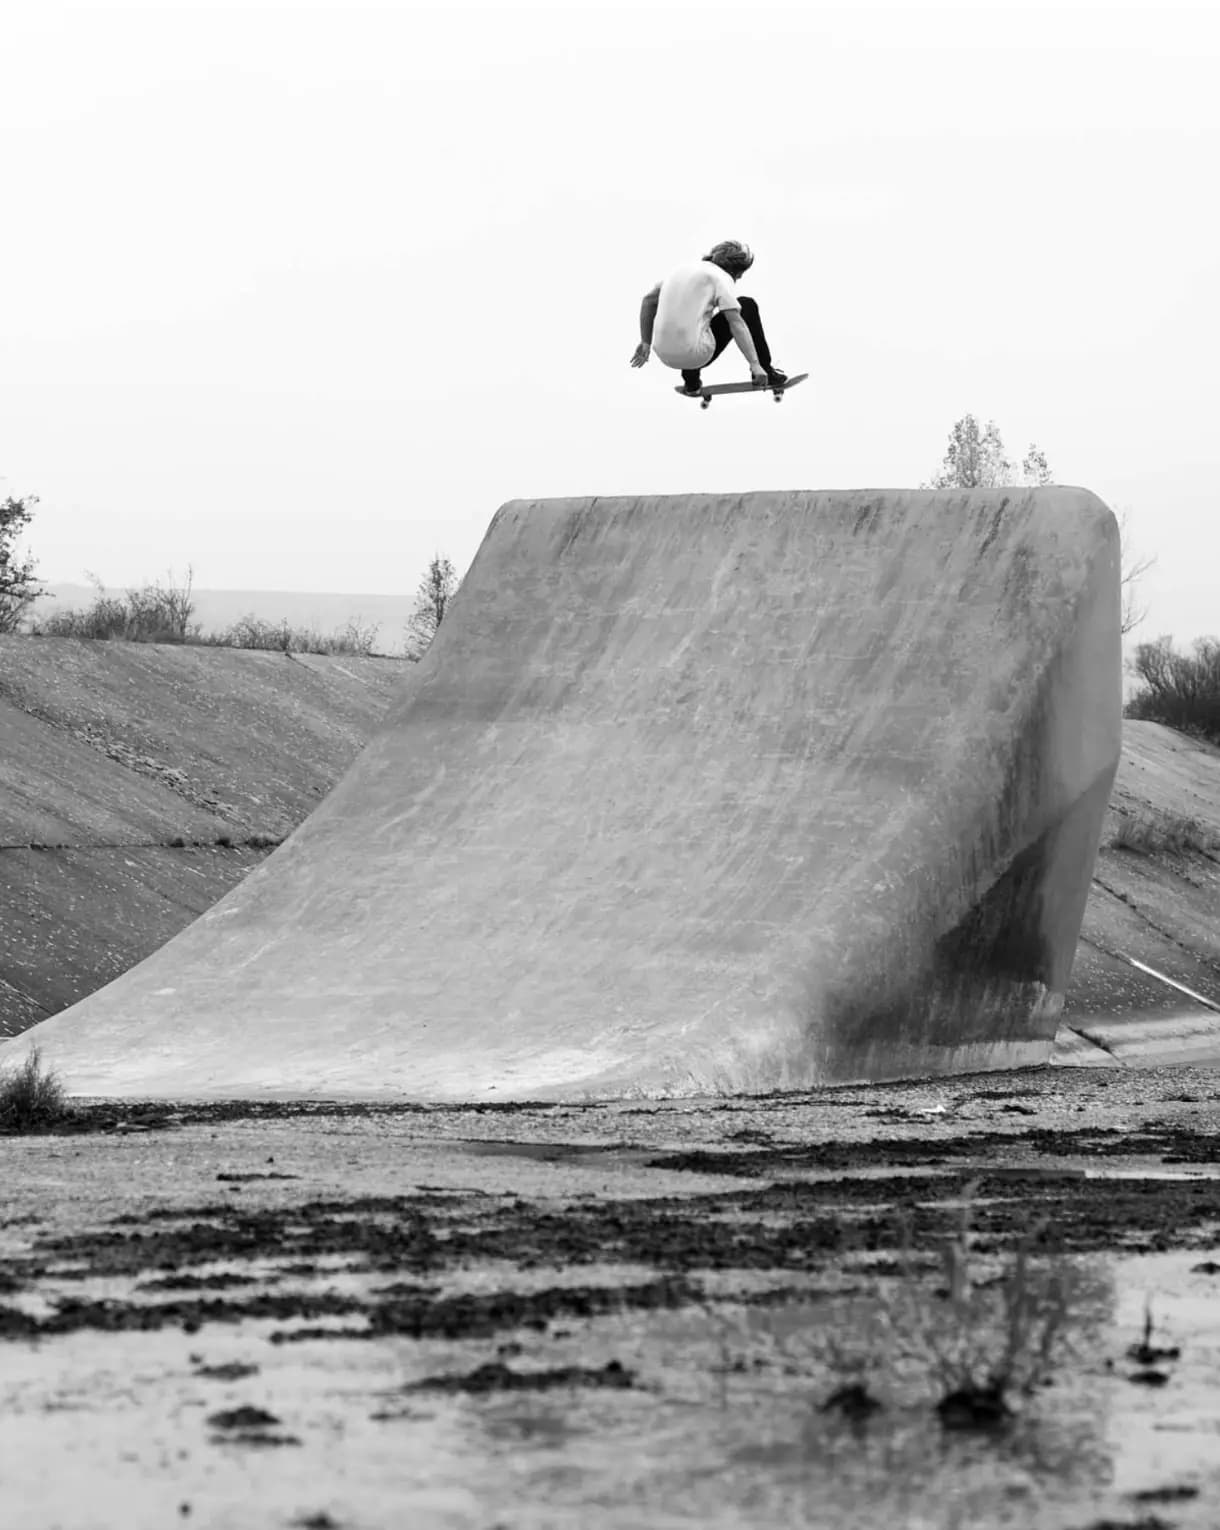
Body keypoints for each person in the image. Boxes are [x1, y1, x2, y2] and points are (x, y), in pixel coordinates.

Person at [630, 240, 787, 396]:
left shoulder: (681, 270)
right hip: (696, 355)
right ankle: (766, 371)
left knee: (692, 317)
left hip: (663, 353)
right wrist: (755, 364)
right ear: (734, 270)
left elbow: (649, 301)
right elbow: (736, 323)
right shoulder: (722, 277)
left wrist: (645, 342)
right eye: (740, 274)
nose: (739, 278)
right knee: (747, 305)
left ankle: (691, 383)